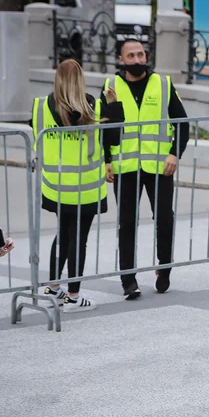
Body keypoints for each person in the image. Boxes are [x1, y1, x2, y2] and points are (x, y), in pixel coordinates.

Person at [30, 59, 124, 313]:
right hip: (85, 187)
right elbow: (114, 137)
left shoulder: (40, 106)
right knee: (78, 240)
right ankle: (73, 295)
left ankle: (52, 288)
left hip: (57, 186)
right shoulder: (90, 105)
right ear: (80, 79)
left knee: (63, 235)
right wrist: (114, 106)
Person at [103, 39, 189, 300]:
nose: (138, 59)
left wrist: (175, 153)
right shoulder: (111, 86)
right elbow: (104, 128)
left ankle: (164, 269)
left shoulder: (162, 84)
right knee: (126, 223)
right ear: (121, 60)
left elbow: (182, 122)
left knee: (164, 218)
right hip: (125, 167)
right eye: (132, 56)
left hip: (159, 165)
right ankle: (128, 280)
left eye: (141, 54)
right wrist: (107, 159)